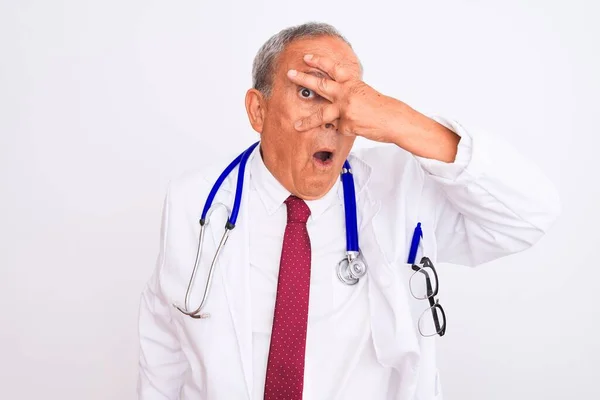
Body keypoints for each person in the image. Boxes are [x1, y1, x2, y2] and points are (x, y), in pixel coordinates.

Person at [137, 22, 560, 400]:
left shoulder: (401, 190)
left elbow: (529, 216)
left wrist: (400, 121)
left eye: (350, 98)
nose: (334, 117)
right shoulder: (193, 200)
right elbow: (163, 348)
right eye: (308, 92)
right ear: (258, 110)